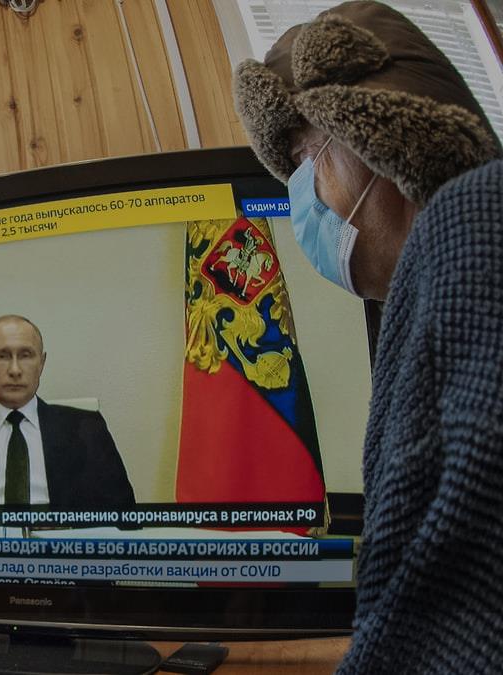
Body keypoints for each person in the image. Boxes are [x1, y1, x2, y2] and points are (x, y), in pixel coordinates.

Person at [232, 1, 503, 671]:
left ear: (381, 137)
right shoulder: (417, 298)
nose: (303, 197)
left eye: (306, 158)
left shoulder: (478, 223)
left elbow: (455, 629)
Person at [0, 315, 134, 510]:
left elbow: (124, 516)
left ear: (41, 363)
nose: (15, 370)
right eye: (2, 356)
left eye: (25, 356)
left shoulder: (87, 429)